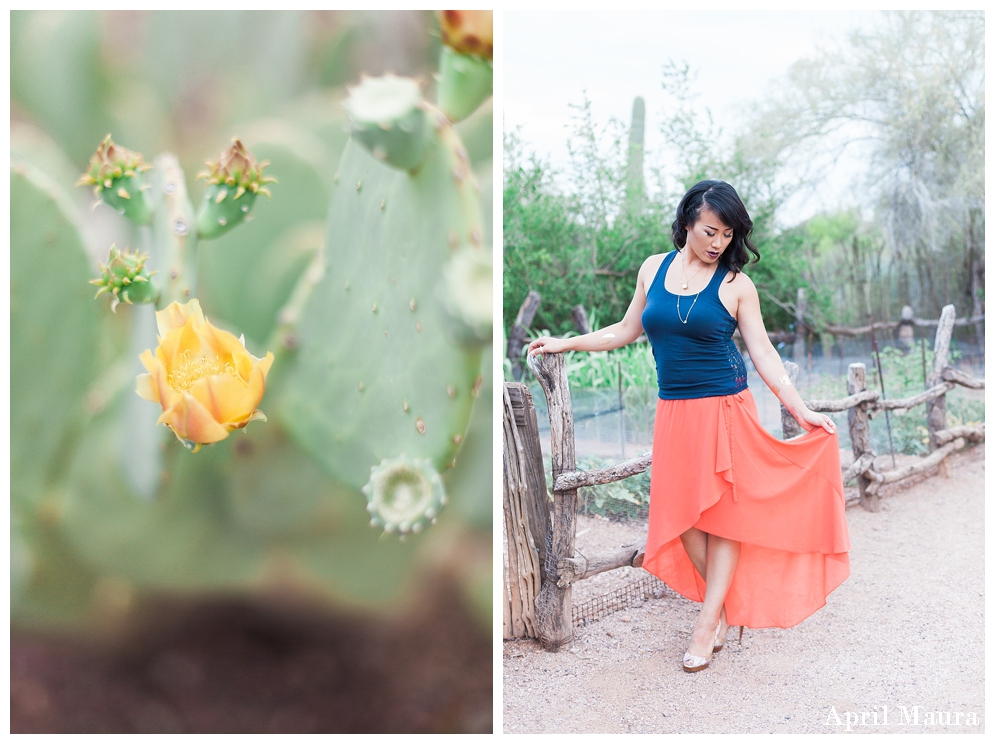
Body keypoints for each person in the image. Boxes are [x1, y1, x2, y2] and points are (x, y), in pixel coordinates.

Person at [528, 180, 850, 672]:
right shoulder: (652, 268)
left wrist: (800, 408)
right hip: (674, 411)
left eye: (727, 233)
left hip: (726, 409)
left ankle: (707, 623)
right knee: (680, 519)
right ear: (686, 223)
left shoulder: (736, 285)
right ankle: (720, 607)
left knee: (724, 518)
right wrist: (566, 343)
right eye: (709, 230)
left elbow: (762, 351)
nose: (718, 242)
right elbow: (625, 329)